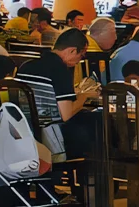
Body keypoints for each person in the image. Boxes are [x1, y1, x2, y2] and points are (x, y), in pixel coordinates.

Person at [16, 29, 102, 157]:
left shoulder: (26, 65)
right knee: (96, 119)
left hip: (24, 128)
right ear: (72, 50)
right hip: (49, 132)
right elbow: (65, 115)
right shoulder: (59, 69)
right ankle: (88, 172)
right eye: (81, 55)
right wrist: (85, 96)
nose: (80, 60)